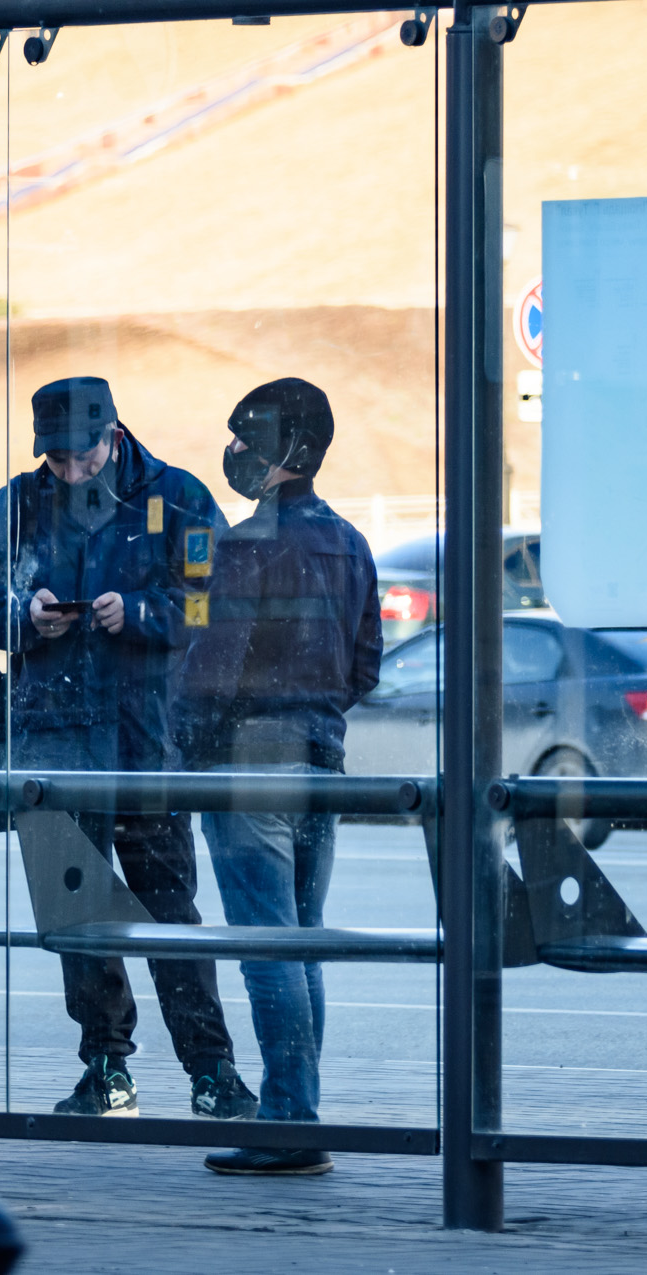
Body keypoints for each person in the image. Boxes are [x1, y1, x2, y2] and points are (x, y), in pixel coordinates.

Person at [0, 377, 257, 1122]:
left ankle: (212, 1071)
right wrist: (24, 614)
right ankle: (107, 1069)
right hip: (56, 751)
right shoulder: (18, 502)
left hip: (145, 746)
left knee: (168, 916)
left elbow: (222, 598)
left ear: (112, 435)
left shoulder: (175, 496)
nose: (68, 470)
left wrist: (146, 612)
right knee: (77, 921)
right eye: (54, 459)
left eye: (80, 456)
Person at [176, 378, 381, 1177]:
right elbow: (364, 664)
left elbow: (210, 669)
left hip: (250, 759)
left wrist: (188, 757)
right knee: (300, 941)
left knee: (266, 946)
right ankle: (297, 1109)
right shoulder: (353, 543)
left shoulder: (243, 544)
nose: (230, 453)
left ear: (278, 451)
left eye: (240, 439)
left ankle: (290, 1121)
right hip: (323, 754)